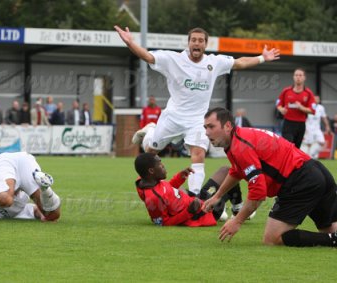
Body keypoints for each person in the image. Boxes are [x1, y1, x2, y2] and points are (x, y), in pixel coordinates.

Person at [115, 25, 280, 196]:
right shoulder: (173, 59)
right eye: (193, 40)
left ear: (205, 45)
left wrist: (262, 57)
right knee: (150, 153)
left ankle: (194, 197)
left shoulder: (213, 62)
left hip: (197, 120)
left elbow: (239, 62)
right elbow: (148, 56)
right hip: (172, 117)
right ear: (188, 43)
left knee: (198, 154)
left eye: (201, 40)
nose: (197, 43)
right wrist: (130, 42)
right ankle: (150, 131)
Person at [202, 107, 337, 247]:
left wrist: (237, 221)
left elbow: (259, 193)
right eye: (205, 127)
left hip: (300, 180)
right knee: (329, 231)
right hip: (314, 170)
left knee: (272, 239)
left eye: (211, 127)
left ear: (228, 126)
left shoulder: (240, 146)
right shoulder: (238, 138)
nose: (207, 133)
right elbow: (237, 171)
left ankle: (333, 240)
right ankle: (333, 239)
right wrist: (217, 196)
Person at [134, 153, 250, 227]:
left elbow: (166, 189)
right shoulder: (153, 198)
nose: (164, 167)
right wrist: (189, 211)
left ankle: (235, 208)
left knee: (226, 170)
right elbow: (163, 223)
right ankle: (234, 209)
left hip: (195, 199)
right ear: (151, 171)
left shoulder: (145, 180)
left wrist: (179, 177)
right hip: (202, 212)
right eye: (161, 166)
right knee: (231, 175)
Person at [276, 68, 316, 148]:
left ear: (304, 78)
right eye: (296, 75)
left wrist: (301, 107)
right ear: (293, 77)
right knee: (288, 145)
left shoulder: (308, 93)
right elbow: (278, 104)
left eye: (300, 75)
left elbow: (312, 110)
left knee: (296, 148)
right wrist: (281, 109)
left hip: (301, 124)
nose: (298, 77)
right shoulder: (286, 91)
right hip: (288, 123)